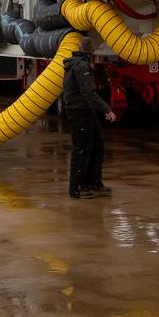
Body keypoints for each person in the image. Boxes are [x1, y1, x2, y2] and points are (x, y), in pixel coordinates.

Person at [62, 40, 118, 199]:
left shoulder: (78, 64)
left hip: (85, 111)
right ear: (91, 51)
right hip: (79, 112)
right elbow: (89, 94)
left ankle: (94, 183)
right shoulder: (81, 67)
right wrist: (107, 110)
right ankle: (77, 188)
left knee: (97, 145)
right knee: (82, 150)